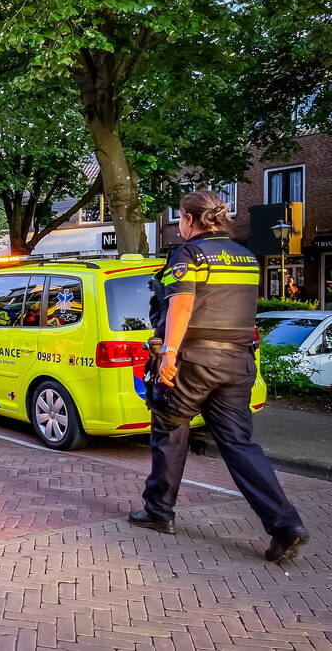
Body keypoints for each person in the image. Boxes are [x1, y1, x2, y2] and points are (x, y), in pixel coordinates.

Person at [129, 192, 308, 563]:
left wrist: (169, 354)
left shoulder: (188, 254)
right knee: (239, 446)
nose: (179, 224)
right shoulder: (245, 256)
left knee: (169, 430)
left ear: (191, 220)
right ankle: (285, 524)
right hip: (237, 362)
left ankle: (159, 513)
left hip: (193, 360)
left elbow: (182, 303)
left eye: (180, 217)